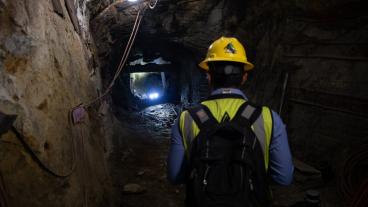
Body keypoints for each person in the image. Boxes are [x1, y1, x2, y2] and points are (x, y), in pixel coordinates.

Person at [167, 37, 294, 206]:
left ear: (208, 76)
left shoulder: (187, 118)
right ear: (244, 77)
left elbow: (175, 176)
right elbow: (284, 178)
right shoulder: (268, 118)